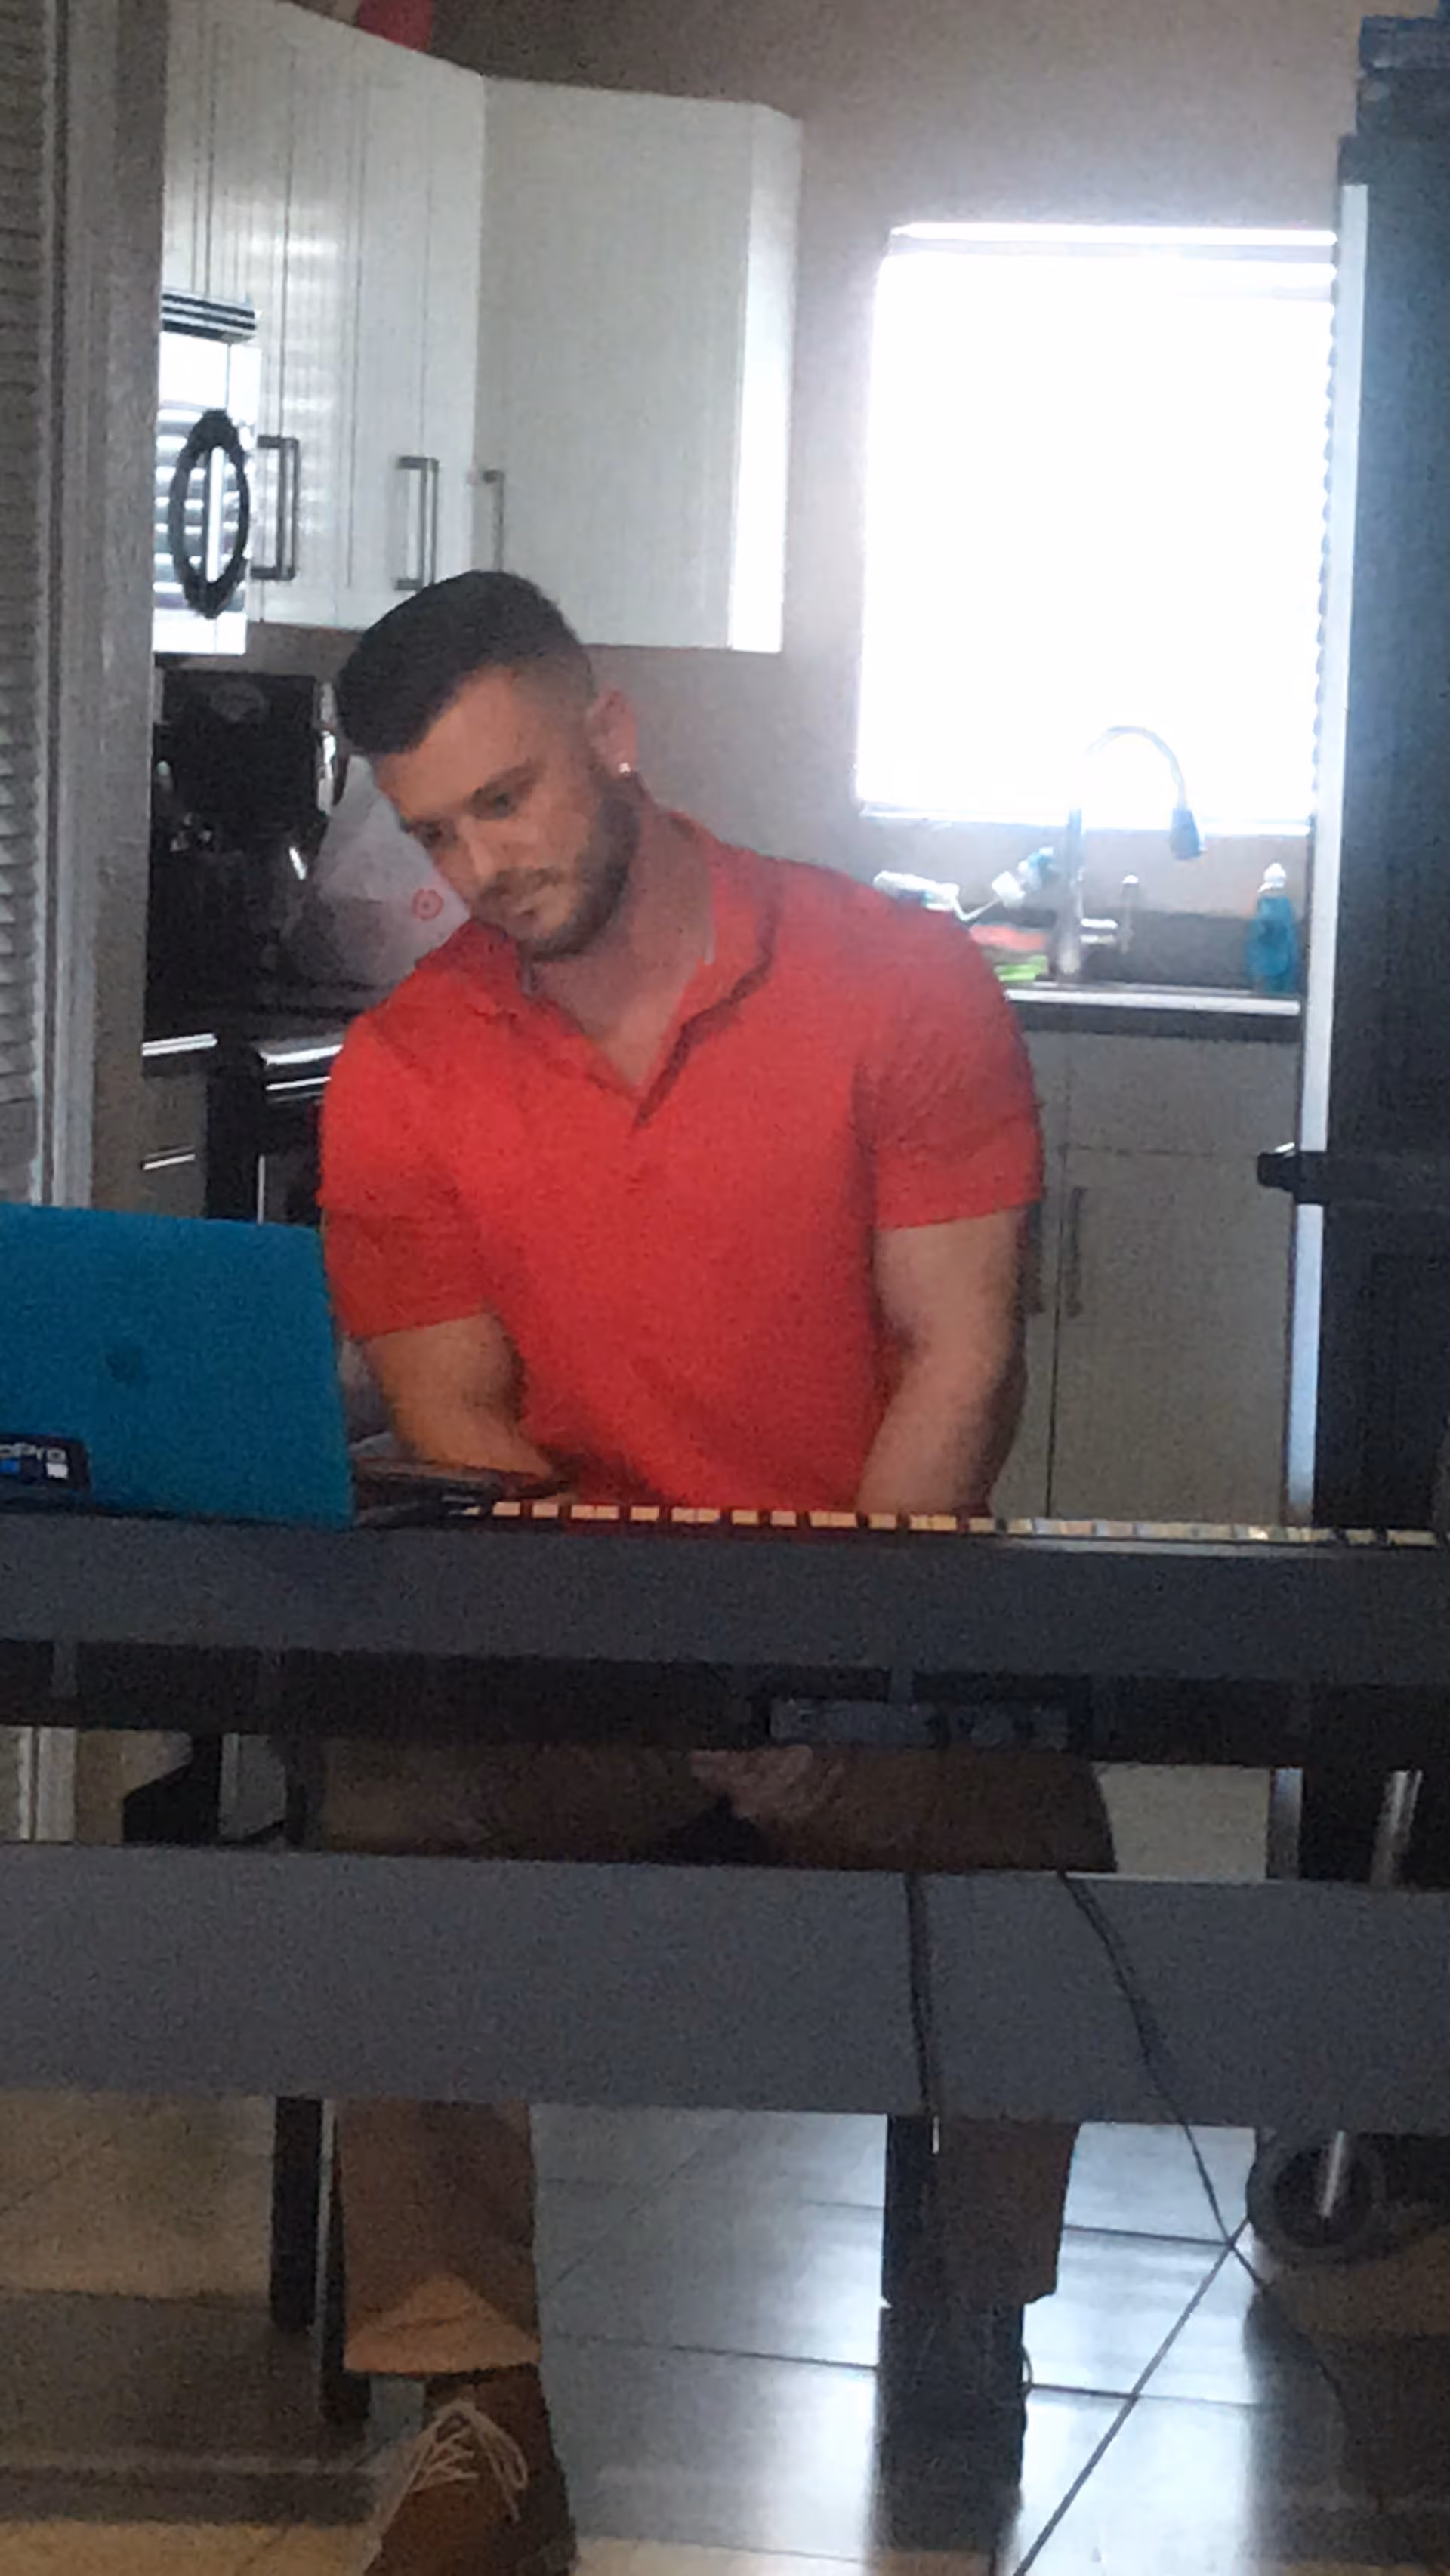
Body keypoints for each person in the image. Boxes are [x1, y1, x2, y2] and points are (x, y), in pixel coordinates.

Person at [319, 571, 1114, 2576]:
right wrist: (668, 1679)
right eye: (436, 834)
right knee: (382, 1798)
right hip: (587, 1668)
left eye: (510, 797)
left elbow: (964, 1352)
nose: (484, 863)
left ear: (615, 733)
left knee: (1036, 1812)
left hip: (874, 1638)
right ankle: (479, 2410)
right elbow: (462, 1442)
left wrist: (833, 1674)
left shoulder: (899, 980)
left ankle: (978, 2314)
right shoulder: (406, 1073)